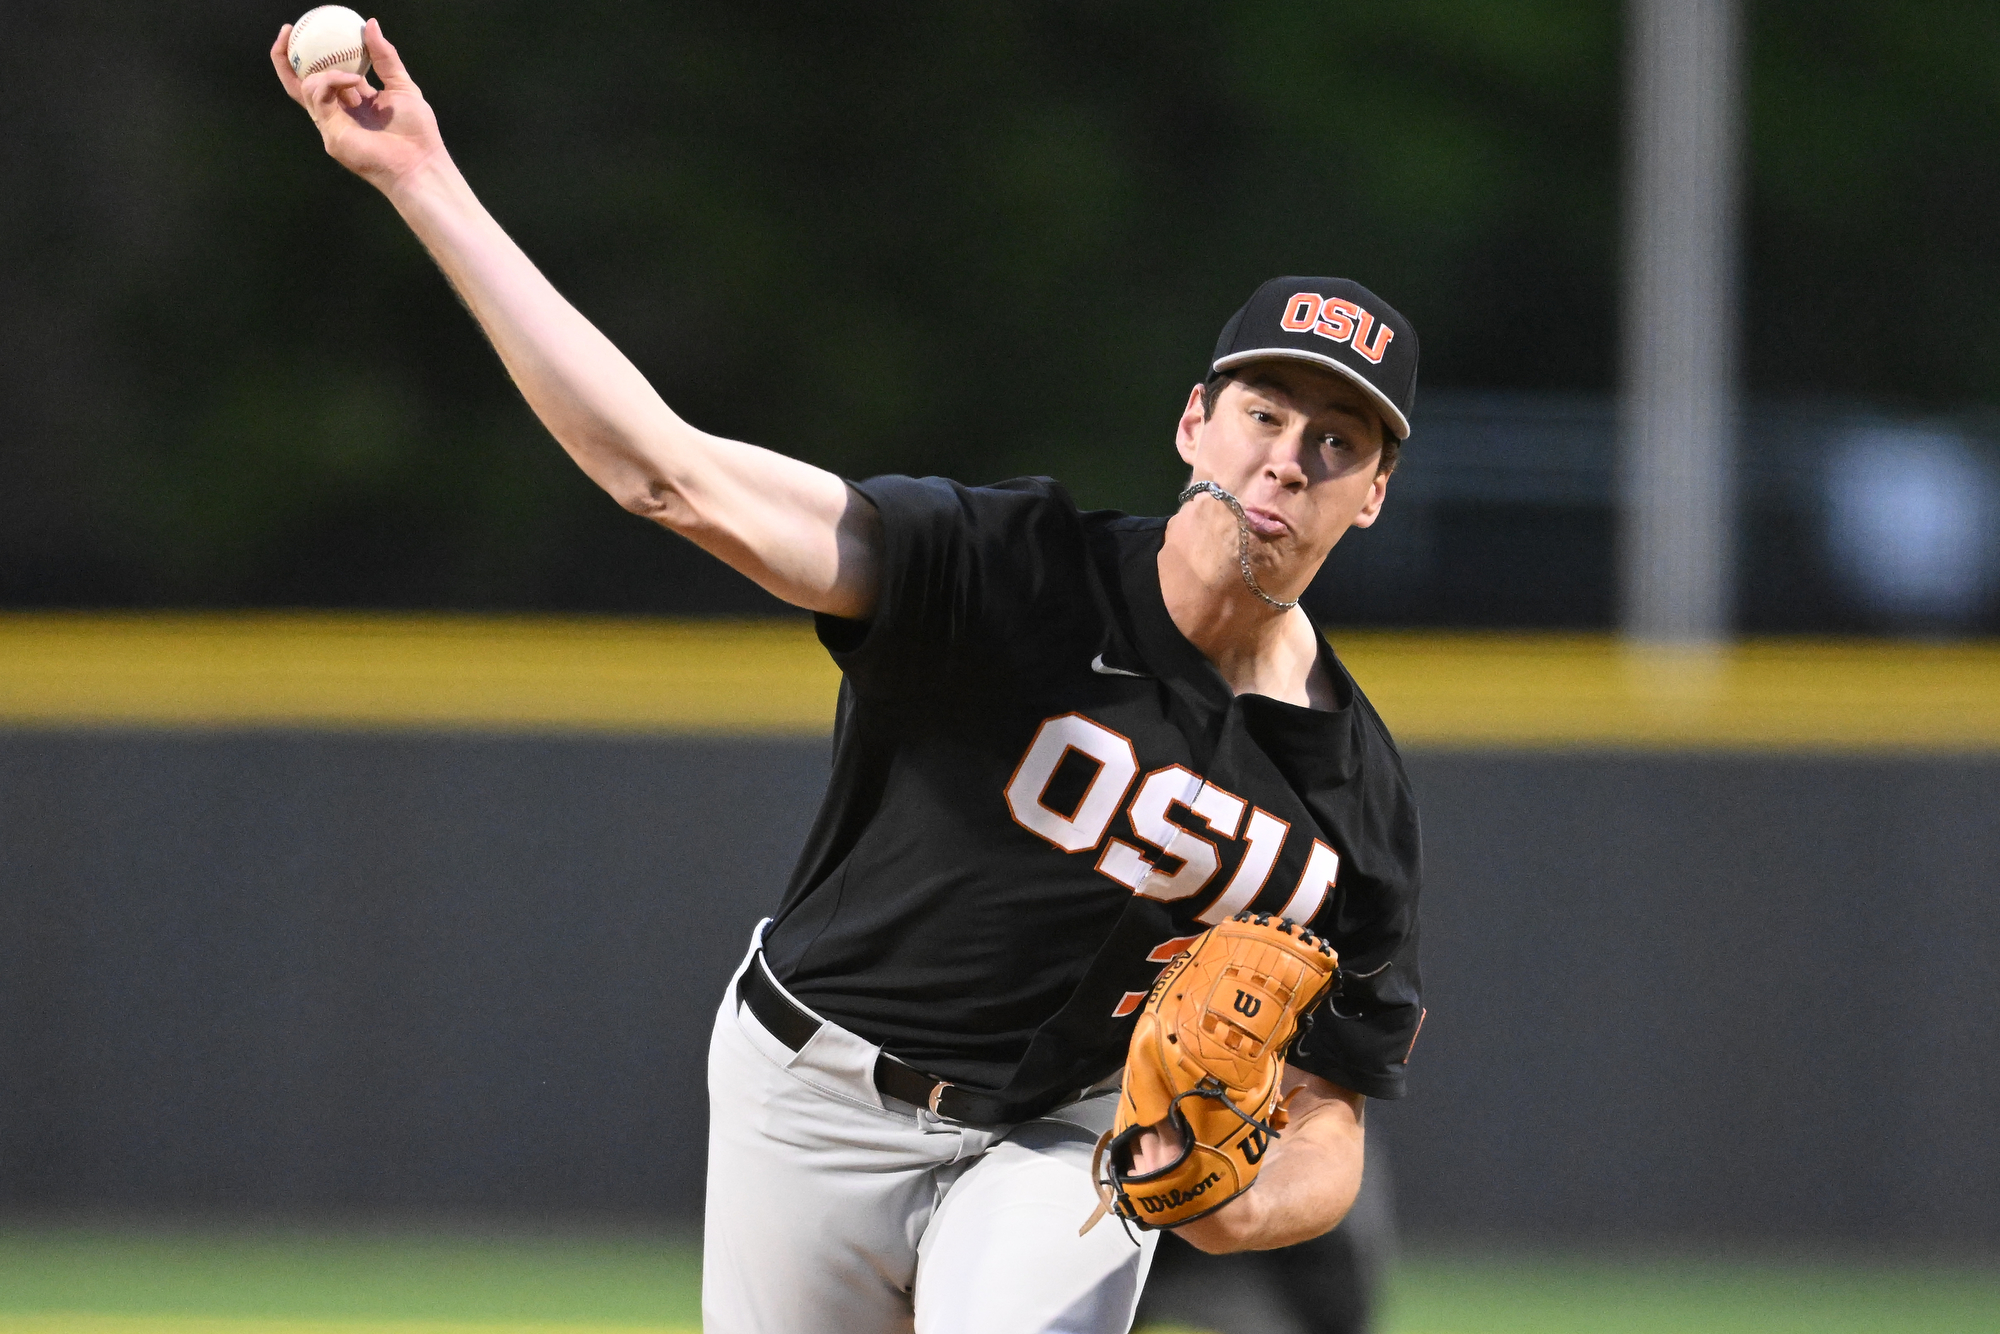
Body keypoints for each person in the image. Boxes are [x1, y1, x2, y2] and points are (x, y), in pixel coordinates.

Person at [273, 22, 1424, 1334]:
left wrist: (1237, 1199)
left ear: (1374, 493)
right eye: (1266, 412)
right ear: (1192, 424)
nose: (1288, 458)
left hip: (1058, 1142)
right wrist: (420, 175)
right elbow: (671, 473)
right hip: (807, 1089)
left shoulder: (1351, 787)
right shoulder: (1009, 574)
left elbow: (1337, 1098)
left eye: (1337, 440)